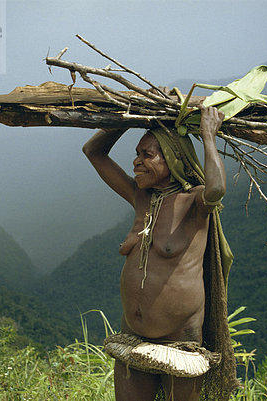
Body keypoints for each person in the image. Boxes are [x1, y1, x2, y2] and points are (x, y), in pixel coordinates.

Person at [82, 106, 236, 401]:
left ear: (173, 159)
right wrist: (129, 116)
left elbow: (217, 189)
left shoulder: (194, 202)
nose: (136, 162)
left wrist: (208, 136)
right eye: (137, 153)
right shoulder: (141, 197)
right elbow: (93, 151)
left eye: (147, 155)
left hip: (180, 345)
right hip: (132, 340)